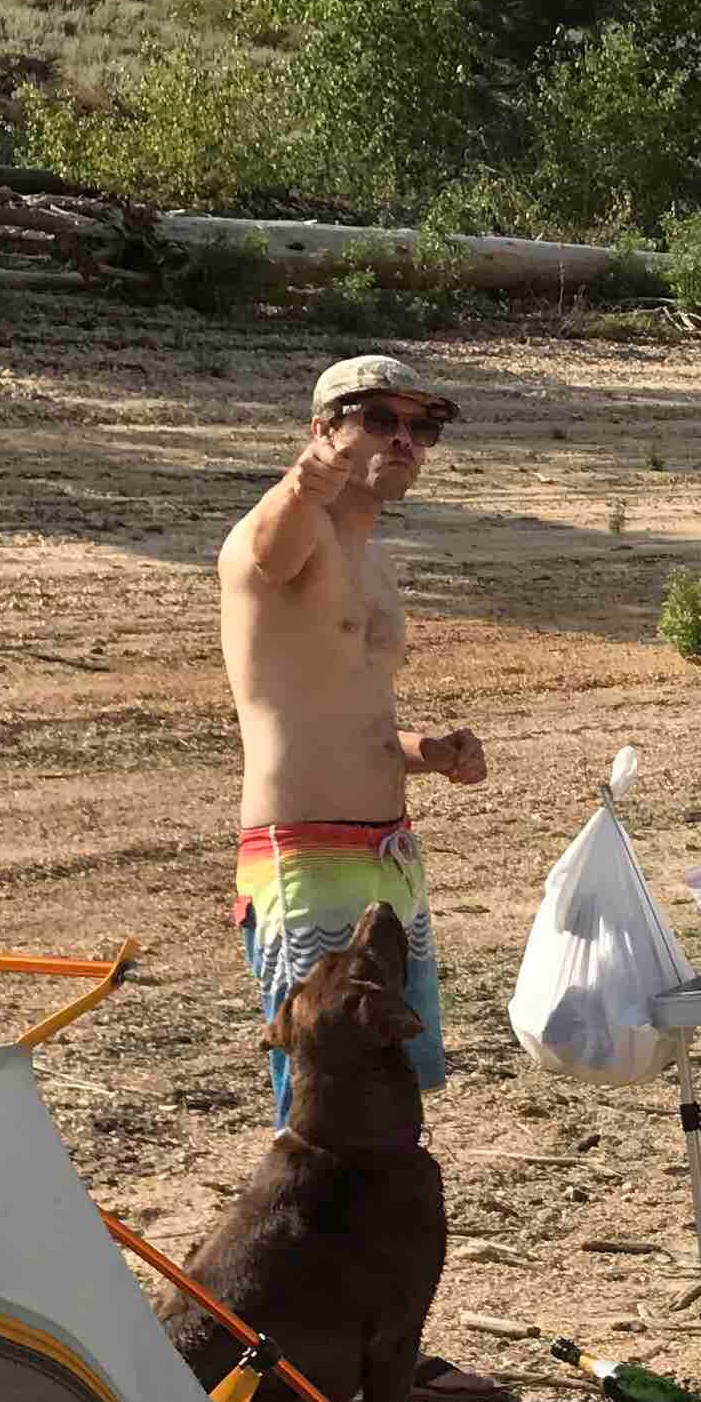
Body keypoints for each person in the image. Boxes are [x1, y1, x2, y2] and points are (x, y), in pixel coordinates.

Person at [220, 354, 487, 1121]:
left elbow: (342, 713)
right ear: (323, 430)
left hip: (387, 857)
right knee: (321, 1104)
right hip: (305, 857)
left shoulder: (374, 563)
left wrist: (424, 753)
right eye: (378, 419)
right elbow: (269, 549)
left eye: (421, 426)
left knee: (395, 1091)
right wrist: (311, 474)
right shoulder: (280, 536)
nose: (404, 440)